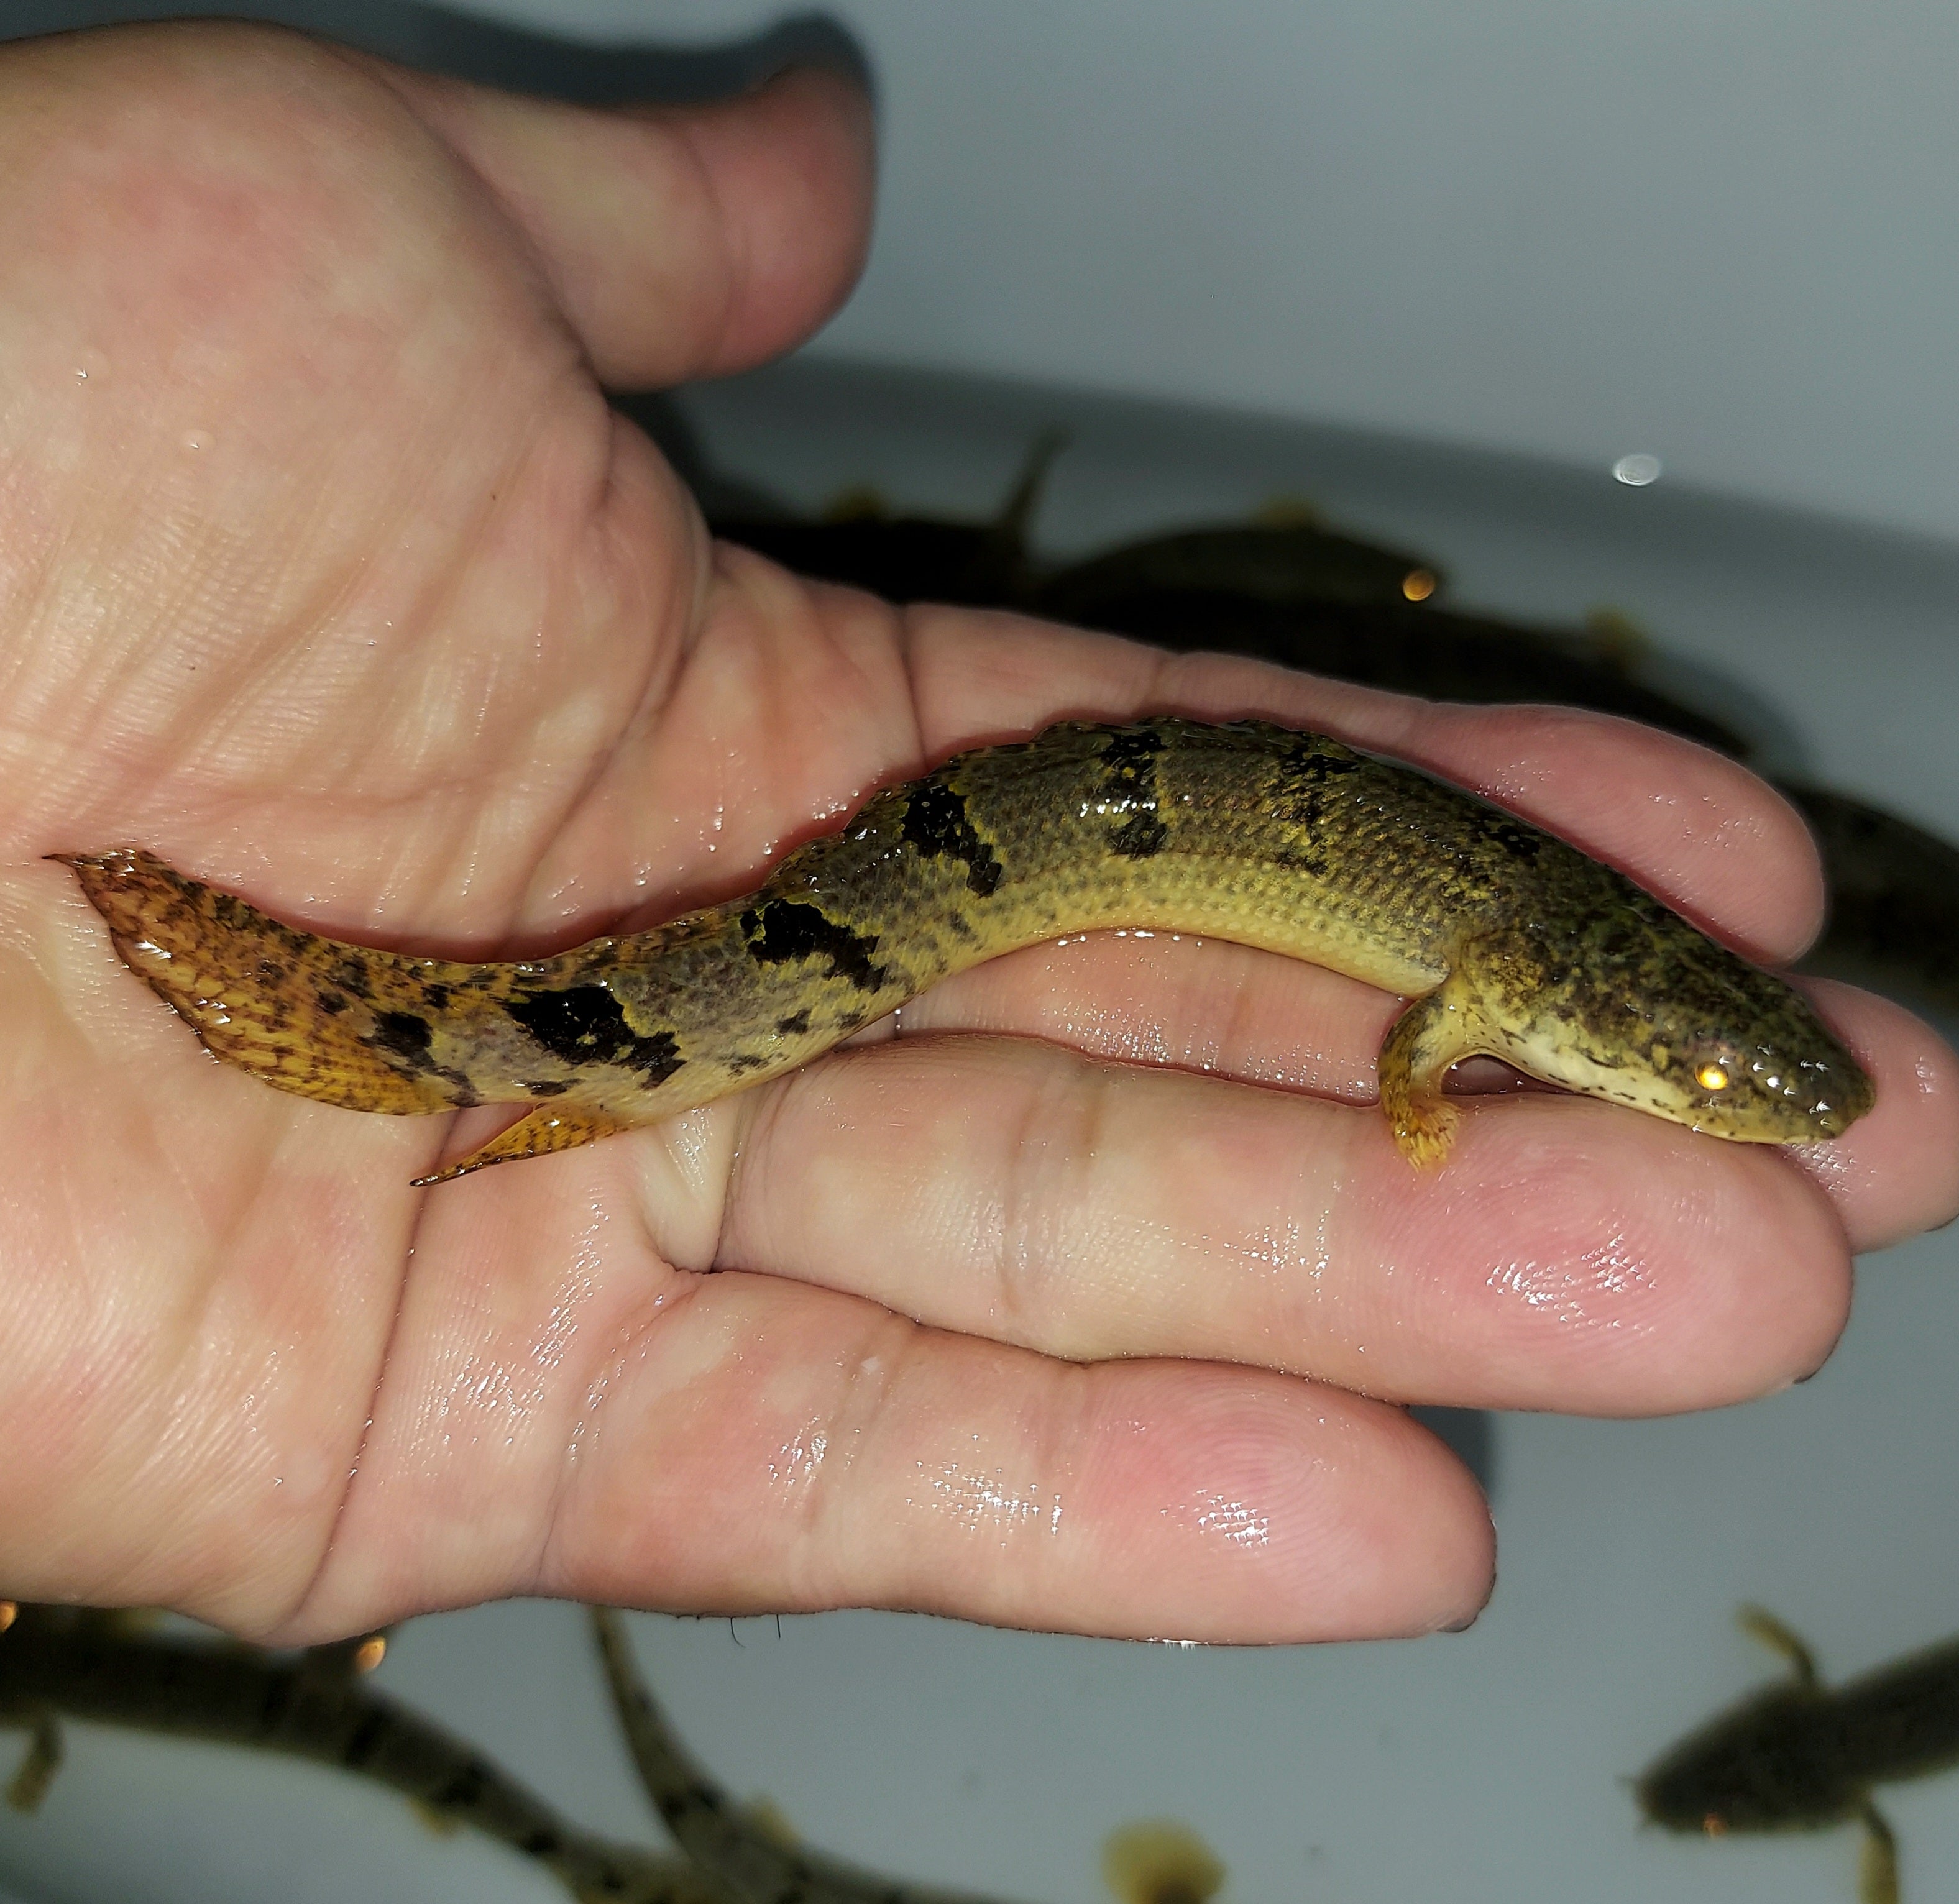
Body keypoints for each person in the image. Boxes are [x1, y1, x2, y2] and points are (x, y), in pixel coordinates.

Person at [0, 19, 1951, 1649]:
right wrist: (1428, 1092)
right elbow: (1436, 1040)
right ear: (1598, 996)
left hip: (1031, 845)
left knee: (678, 1022)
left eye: (1713, 1064)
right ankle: (424, 1033)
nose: (1730, 1086)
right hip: (986, 854)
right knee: (668, 1017)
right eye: (1707, 1065)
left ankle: (449, 1038)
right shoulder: (1506, 977)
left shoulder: (1540, 964)